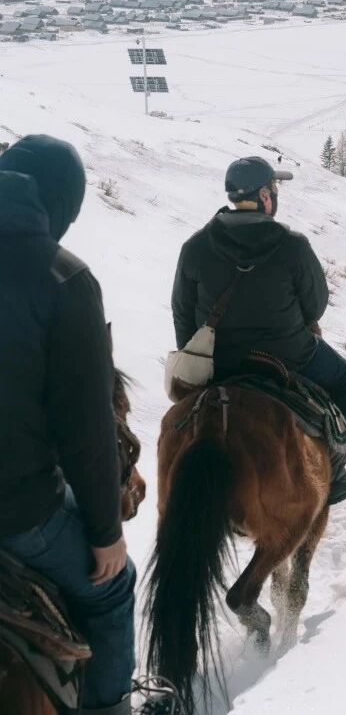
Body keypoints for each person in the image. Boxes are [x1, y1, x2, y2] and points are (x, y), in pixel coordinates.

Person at [0, 136, 137, 714]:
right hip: (20, 511)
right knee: (114, 587)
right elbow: (87, 431)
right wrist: (106, 532)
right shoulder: (62, 277)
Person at [172, 156, 346, 503]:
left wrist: (200, 360)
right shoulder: (293, 245)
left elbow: (182, 311)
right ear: (264, 195)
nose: (276, 195)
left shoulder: (196, 246)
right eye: (274, 189)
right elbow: (315, 307)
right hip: (290, 354)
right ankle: (337, 470)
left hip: (221, 362)